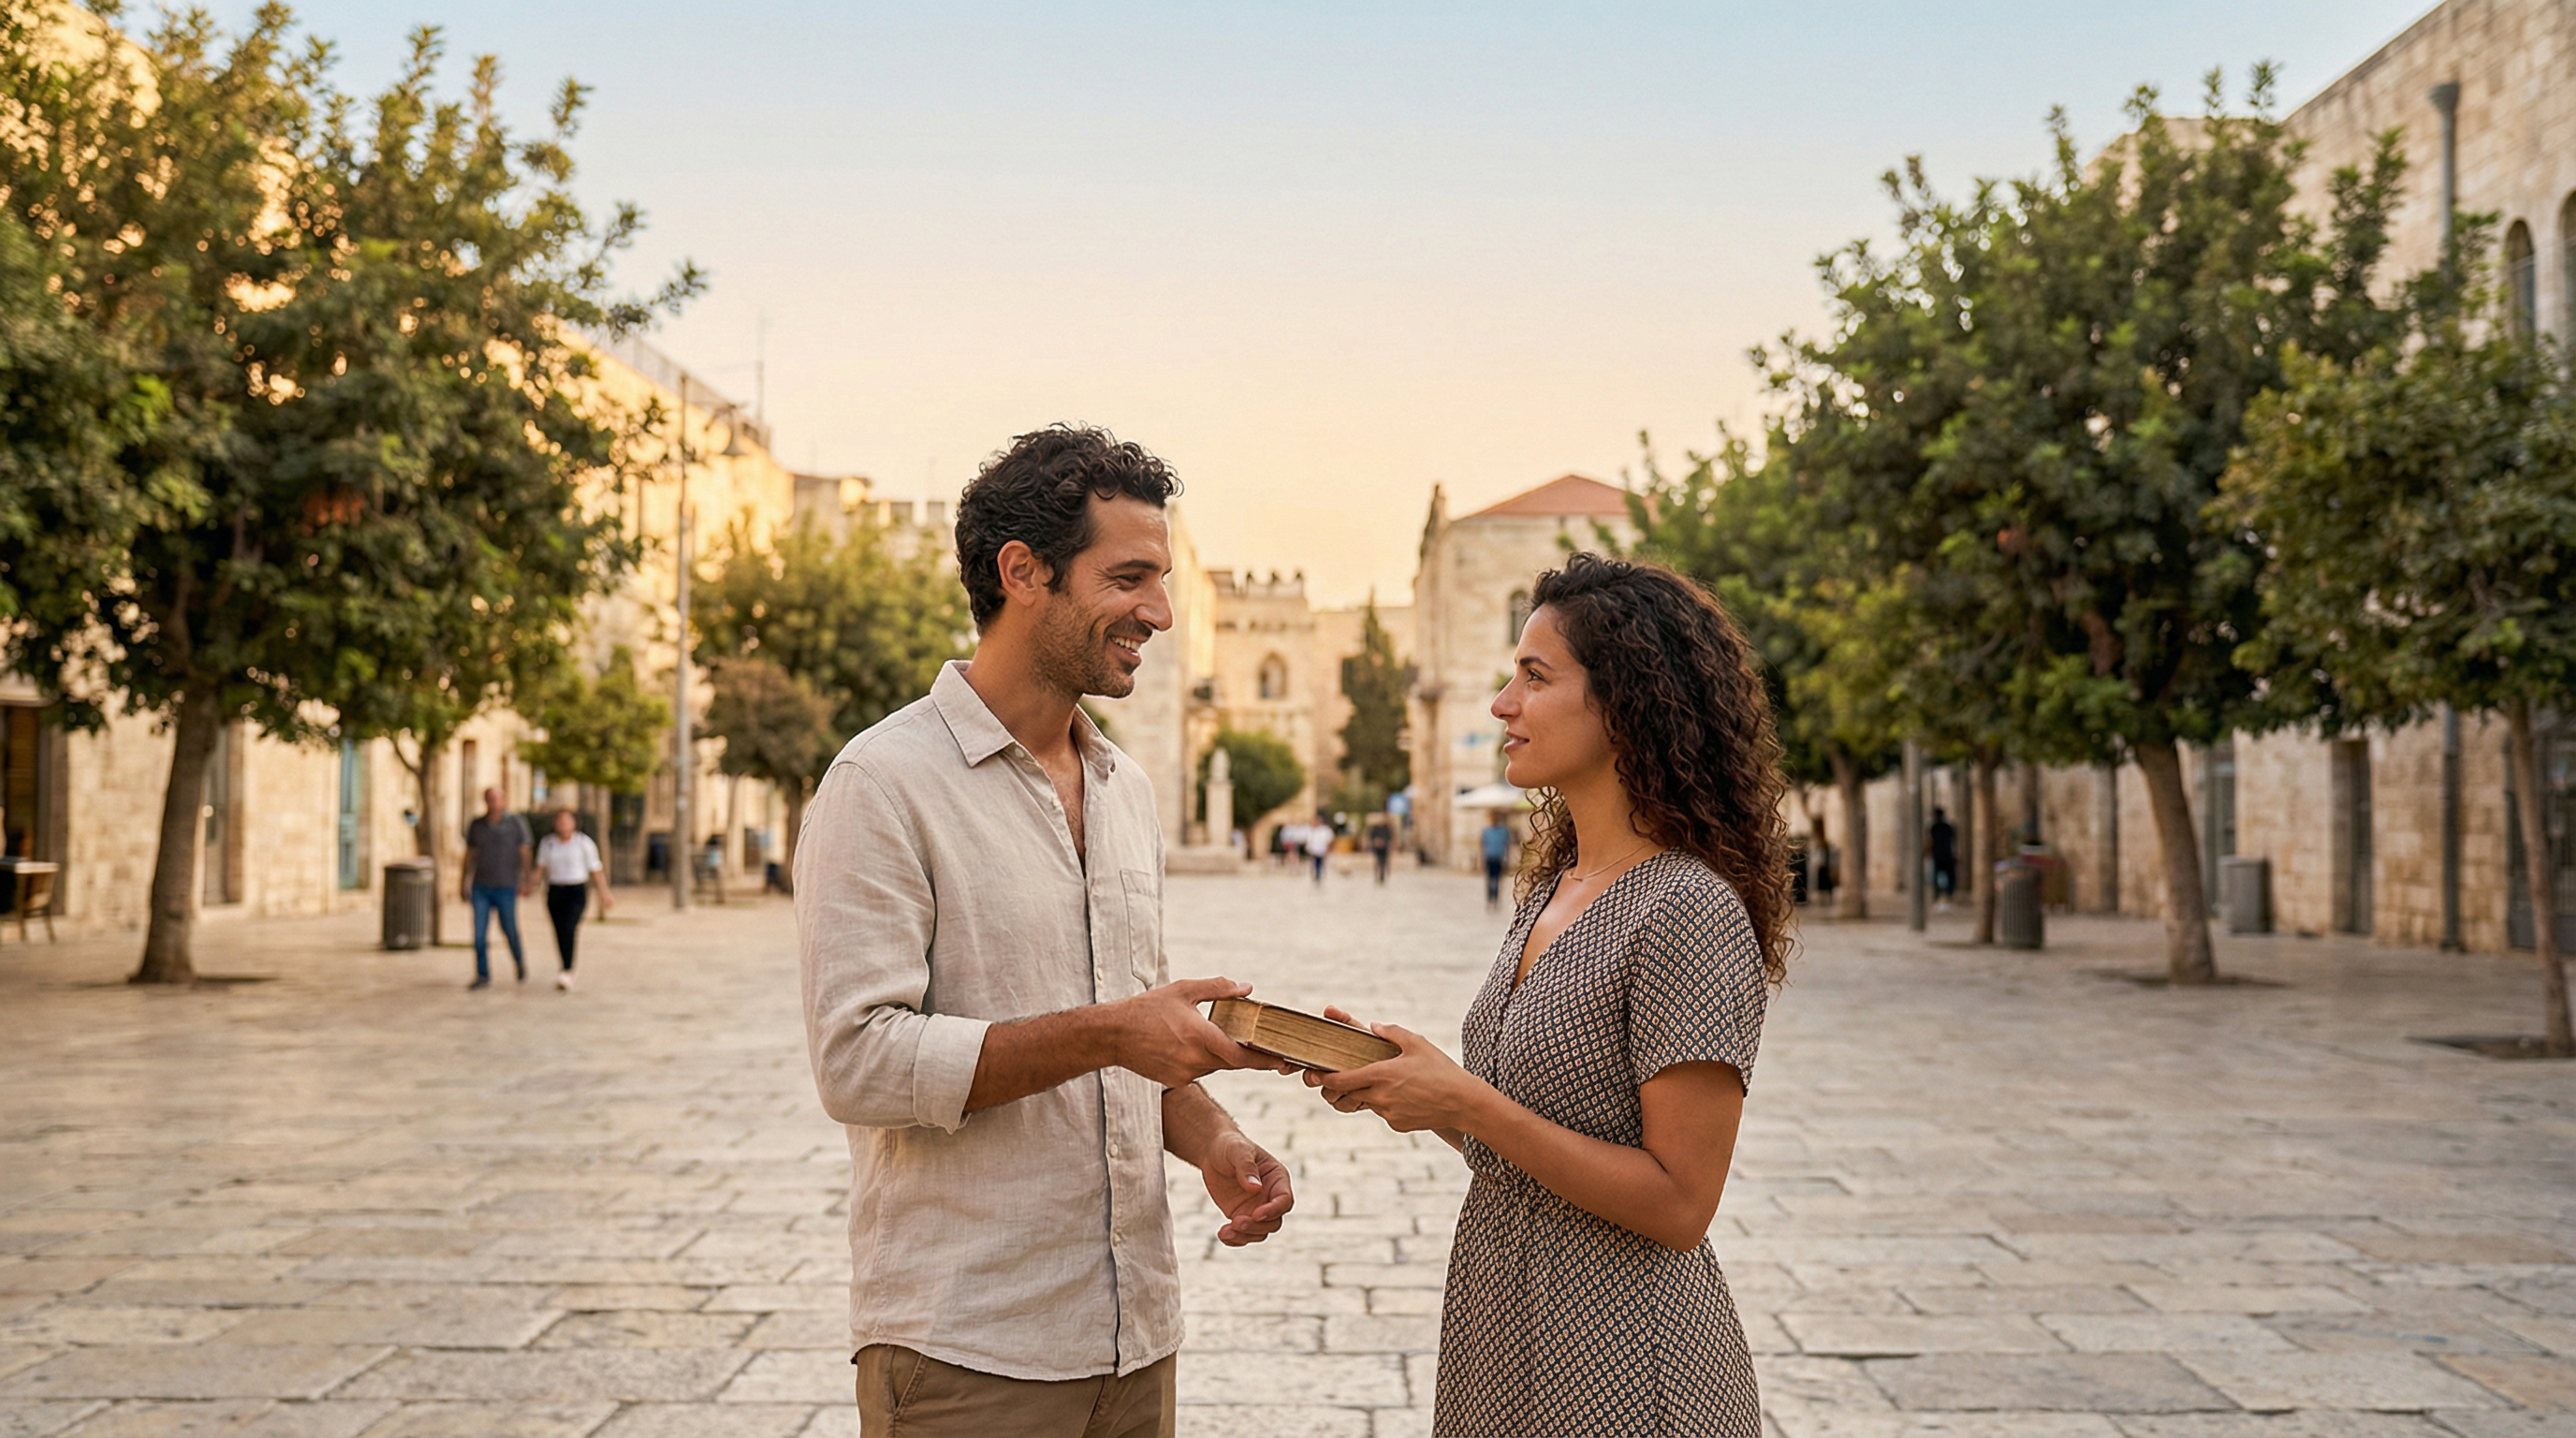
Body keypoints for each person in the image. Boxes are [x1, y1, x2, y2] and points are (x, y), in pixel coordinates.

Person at [797, 425, 1296, 1438]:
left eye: (1161, 580)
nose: (1156, 612)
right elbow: (857, 1063)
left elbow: (1132, 1041)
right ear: (1022, 573)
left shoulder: (1125, 788)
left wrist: (1213, 1138)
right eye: (1129, 578)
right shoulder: (882, 783)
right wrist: (1112, 1032)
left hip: (1134, 1341)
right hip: (968, 1353)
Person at [1308, 553, 1793, 1438]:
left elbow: (1680, 1204)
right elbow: (1533, 1136)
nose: (1502, 702)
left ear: (1627, 701)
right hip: (1503, 1342)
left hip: (1626, 1366)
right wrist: (1419, 1087)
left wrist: (1467, 1103)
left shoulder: (1686, 907)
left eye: (1534, 676)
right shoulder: (1554, 888)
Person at [461, 787, 533, 990]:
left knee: (509, 929)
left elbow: (525, 852)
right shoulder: (477, 825)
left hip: (506, 886)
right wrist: (464, 881)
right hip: (481, 886)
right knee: (479, 934)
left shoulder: (516, 823)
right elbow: (469, 854)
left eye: (497, 799)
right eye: (490, 800)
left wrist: (526, 880)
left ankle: (519, 961)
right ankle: (482, 974)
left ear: (504, 800)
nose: (493, 803)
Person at [535, 809, 612, 990]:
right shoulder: (548, 844)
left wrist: (605, 894)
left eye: (567, 821)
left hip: (576, 891)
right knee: (559, 930)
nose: (563, 825)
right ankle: (565, 965)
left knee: (570, 927)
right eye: (560, 821)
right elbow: (540, 868)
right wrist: (529, 885)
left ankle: (568, 969)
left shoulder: (583, 843)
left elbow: (596, 870)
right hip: (555, 890)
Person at [1478, 813, 1513, 911]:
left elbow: (1507, 845)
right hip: (1489, 858)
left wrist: (1507, 859)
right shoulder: (1486, 831)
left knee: (1497, 881)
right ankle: (1490, 900)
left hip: (1499, 858)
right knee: (1489, 881)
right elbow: (1482, 846)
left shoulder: (1503, 831)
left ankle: (1496, 901)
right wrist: (1481, 861)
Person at [1927, 806, 1958, 907]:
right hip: (1946, 854)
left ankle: (1938, 895)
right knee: (1949, 876)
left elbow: (1930, 841)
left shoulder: (1935, 827)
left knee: (1938, 876)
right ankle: (1949, 894)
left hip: (1939, 855)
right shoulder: (1947, 827)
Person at [1303, 812, 1334, 885]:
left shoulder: (1325, 830)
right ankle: (1315, 876)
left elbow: (1330, 840)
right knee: (1314, 864)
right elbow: (1308, 841)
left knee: (1320, 863)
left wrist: (1328, 849)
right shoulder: (1311, 830)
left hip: (1321, 850)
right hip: (1313, 850)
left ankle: (1320, 876)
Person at [1367, 815, 1395, 886]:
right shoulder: (1375, 828)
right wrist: (1376, 842)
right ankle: (1376, 876)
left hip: (1384, 848)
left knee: (1384, 862)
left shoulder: (1387, 829)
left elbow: (1390, 838)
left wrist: (1385, 843)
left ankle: (1382, 876)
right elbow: (1371, 837)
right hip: (1377, 848)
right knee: (1377, 861)